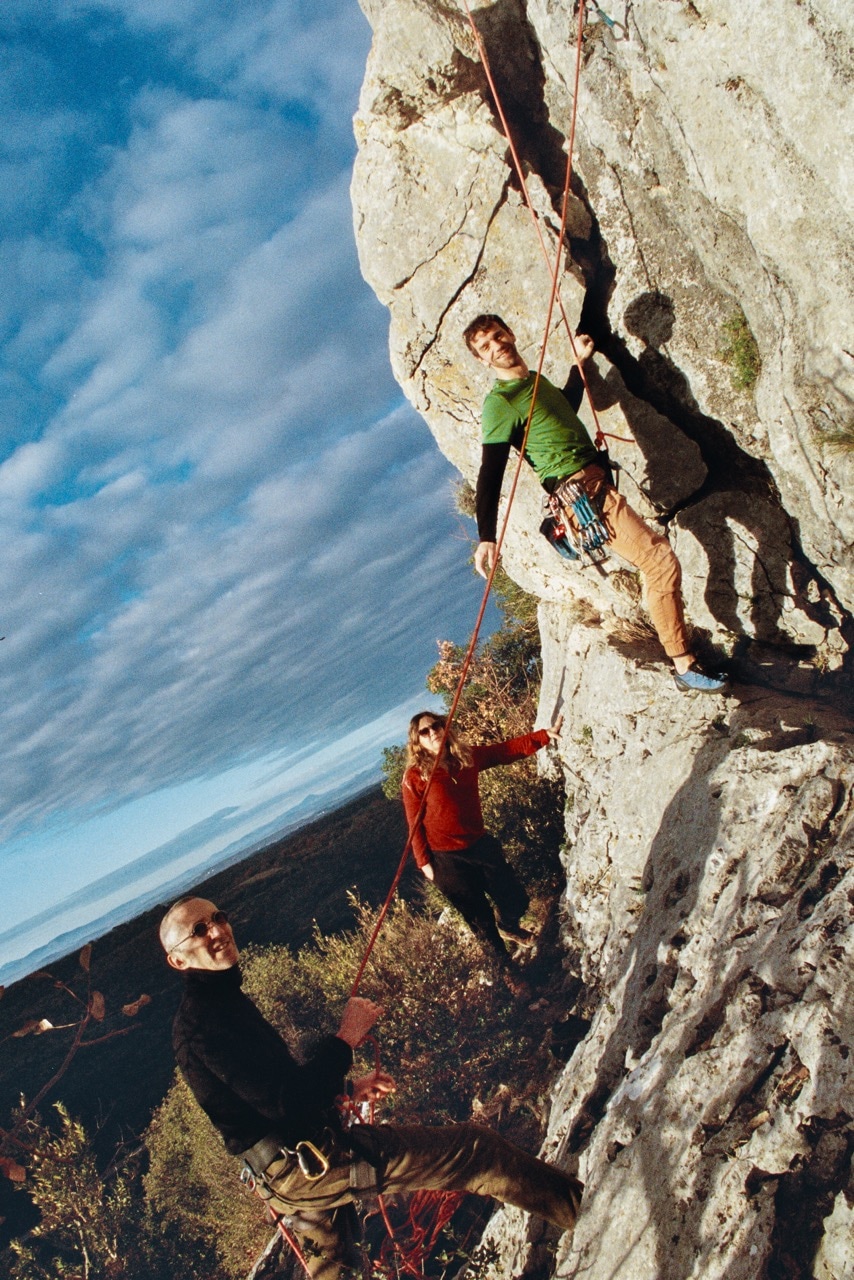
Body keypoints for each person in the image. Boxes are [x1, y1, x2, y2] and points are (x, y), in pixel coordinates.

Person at [160, 897, 583, 1279]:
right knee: (474, 1151)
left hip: (292, 1172)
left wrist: (345, 1087)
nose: (216, 930)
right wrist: (345, 1040)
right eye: (198, 930)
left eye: (218, 917)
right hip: (309, 1163)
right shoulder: (203, 1026)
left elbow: (274, 1090)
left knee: (337, 1270)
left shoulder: (219, 1003)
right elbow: (287, 1102)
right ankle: (589, 1210)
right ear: (178, 961)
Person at [462, 313, 726, 694]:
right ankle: (683, 663)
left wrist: (577, 364)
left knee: (656, 559)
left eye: (498, 336)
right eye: (485, 346)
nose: (496, 345)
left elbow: (562, 407)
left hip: (594, 479)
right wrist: (486, 535)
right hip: (580, 493)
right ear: (483, 360)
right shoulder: (500, 403)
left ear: (511, 334)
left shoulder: (532, 382)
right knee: (658, 559)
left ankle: (682, 655)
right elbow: (490, 472)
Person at [401, 711, 561, 991]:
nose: (432, 733)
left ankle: (509, 925)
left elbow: (503, 752)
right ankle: (511, 976)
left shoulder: (467, 757)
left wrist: (543, 736)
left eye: (436, 726)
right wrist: (425, 863)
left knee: (516, 899)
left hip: (479, 845)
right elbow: (413, 822)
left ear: (444, 726)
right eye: (424, 732)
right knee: (480, 922)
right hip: (446, 861)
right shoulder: (415, 777)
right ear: (418, 742)